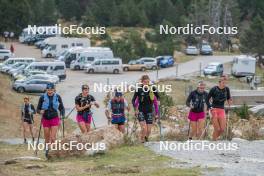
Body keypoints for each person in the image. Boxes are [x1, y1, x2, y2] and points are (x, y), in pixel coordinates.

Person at [37, 83, 65, 155]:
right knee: (47, 136)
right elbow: (38, 109)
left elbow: (61, 108)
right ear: (46, 90)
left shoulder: (57, 97)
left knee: (53, 137)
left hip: (54, 118)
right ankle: (47, 148)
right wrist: (40, 111)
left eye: (51, 90)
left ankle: (52, 152)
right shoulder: (42, 97)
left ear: (54, 90)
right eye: (48, 90)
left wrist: (62, 115)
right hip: (45, 118)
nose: (50, 91)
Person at [132, 75, 159, 142]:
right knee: (144, 128)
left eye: (147, 82)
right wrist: (135, 109)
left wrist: (157, 112)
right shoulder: (138, 89)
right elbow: (133, 100)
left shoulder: (152, 88)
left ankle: (145, 138)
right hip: (141, 111)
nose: (146, 83)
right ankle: (142, 141)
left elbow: (158, 97)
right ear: (142, 82)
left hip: (149, 111)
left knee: (149, 130)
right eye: (145, 82)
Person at [207, 75, 232, 140]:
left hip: (221, 109)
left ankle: (214, 139)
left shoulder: (227, 89)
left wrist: (230, 104)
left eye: (226, 83)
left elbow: (229, 98)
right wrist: (210, 107)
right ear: (220, 82)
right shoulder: (214, 89)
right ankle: (214, 142)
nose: (225, 84)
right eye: (223, 82)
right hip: (214, 109)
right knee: (217, 129)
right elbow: (207, 99)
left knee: (222, 129)